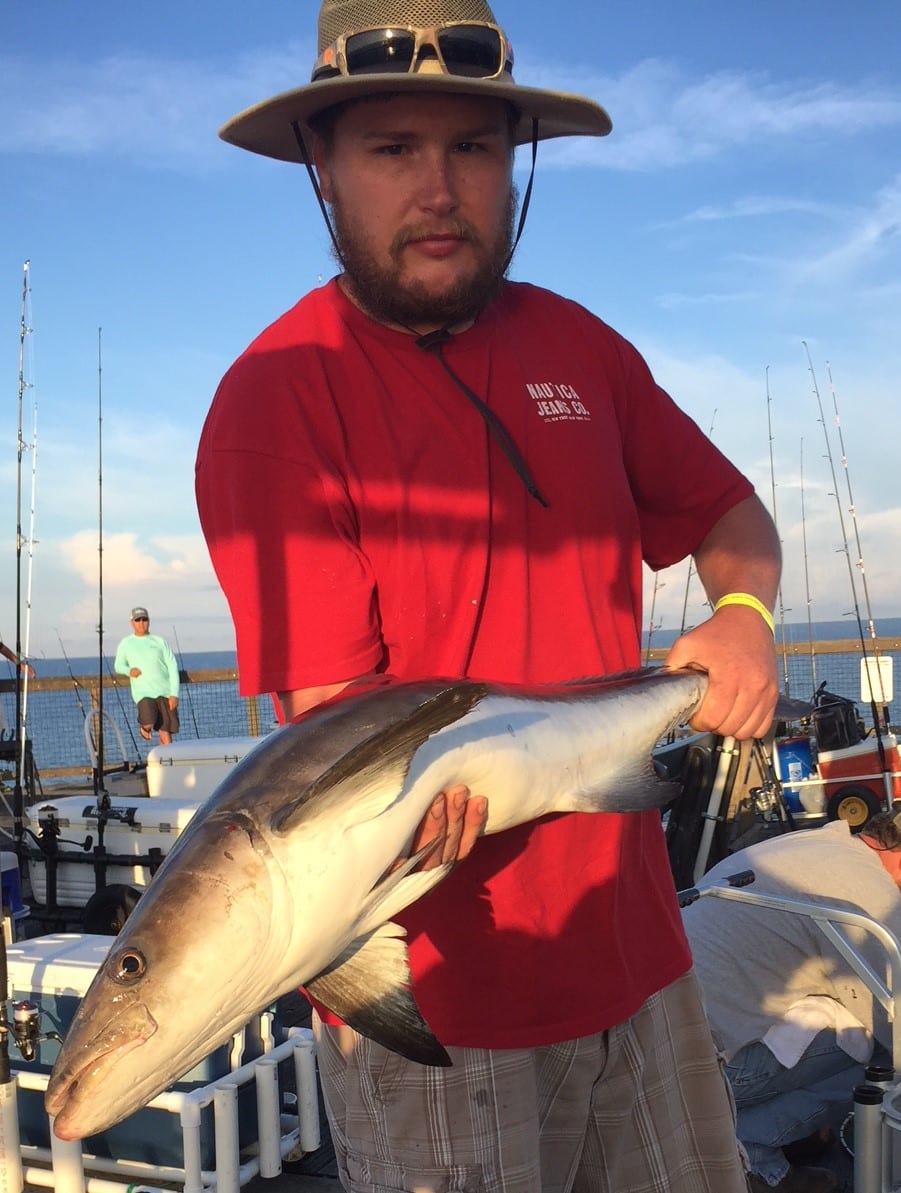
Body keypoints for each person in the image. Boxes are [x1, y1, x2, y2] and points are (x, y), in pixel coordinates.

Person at [195, 1, 782, 1189]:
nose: (439, 188)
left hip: (641, 954)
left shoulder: (584, 350)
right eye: (393, 149)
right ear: (323, 166)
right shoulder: (276, 398)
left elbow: (733, 517)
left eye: (471, 148)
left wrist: (744, 617)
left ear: (513, 164)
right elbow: (344, 723)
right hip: (431, 1000)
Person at [683, 815, 901, 1193]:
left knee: (841, 1009)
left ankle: (750, 1137)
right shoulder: (868, 892)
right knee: (875, 1054)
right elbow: (895, 1023)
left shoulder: (819, 844)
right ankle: (752, 1157)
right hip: (705, 1069)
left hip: (665, 1043)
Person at [113, 606, 180, 745]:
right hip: (144, 693)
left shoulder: (160, 641)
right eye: (138, 620)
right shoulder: (126, 644)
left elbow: (172, 666)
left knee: (165, 731)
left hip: (165, 692)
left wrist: (174, 694)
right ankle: (144, 728)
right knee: (149, 721)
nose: (142, 623)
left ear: (149, 621)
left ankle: (167, 762)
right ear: (132, 623)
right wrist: (129, 671)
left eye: (144, 619)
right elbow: (118, 665)